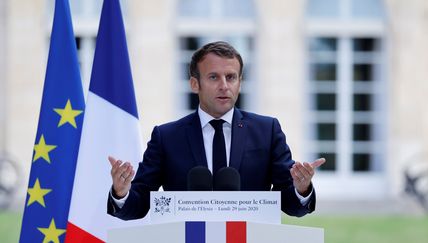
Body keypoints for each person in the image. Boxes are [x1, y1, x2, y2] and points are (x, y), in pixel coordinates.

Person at [107, 41, 325, 220]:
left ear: (240, 83)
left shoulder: (267, 131)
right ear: (195, 84)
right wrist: (122, 193)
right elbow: (141, 201)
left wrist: (301, 189)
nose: (224, 86)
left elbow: (290, 204)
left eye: (231, 77)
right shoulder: (167, 137)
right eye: (213, 77)